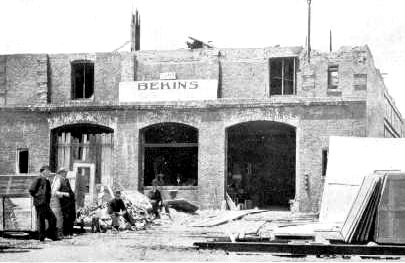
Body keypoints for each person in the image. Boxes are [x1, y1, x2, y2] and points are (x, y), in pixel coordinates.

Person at [29, 165, 59, 241]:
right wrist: (38, 197)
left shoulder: (47, 181)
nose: (49, 172)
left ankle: (50, 235)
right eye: (48, 171)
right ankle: (42, 237)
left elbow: (48, 192)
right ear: (44, 171)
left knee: (53, 218)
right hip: (40, 203)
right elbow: (31, 190)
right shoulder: (38, 179)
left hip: (46, 204)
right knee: (41, 220)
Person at [57, 168, 76, 237]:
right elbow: (55, 192)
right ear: (61, 173)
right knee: (66, 217)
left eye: (66, 172)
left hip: (70, 201)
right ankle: (66, 233)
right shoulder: (59, 180)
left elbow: (69, 190)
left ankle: (70, 233)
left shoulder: (66, 180)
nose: (66, 173)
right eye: (64, 172)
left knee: (71, 217)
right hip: (64, 202)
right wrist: (64, 194)